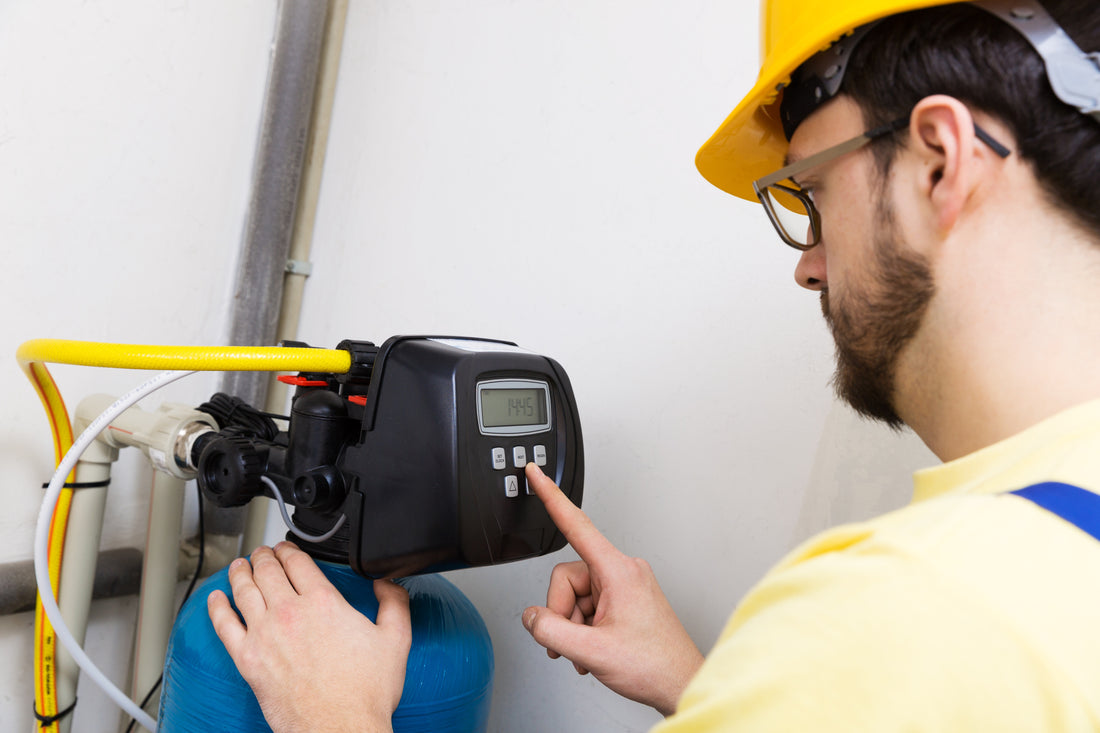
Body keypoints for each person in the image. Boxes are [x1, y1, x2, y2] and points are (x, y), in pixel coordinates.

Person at [207, 0, 1100, 730]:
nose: (808, 262)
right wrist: (701, 684)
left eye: (812, 195)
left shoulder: (909, 617)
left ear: (942, 160)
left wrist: (333, 717)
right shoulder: (1019, 572)